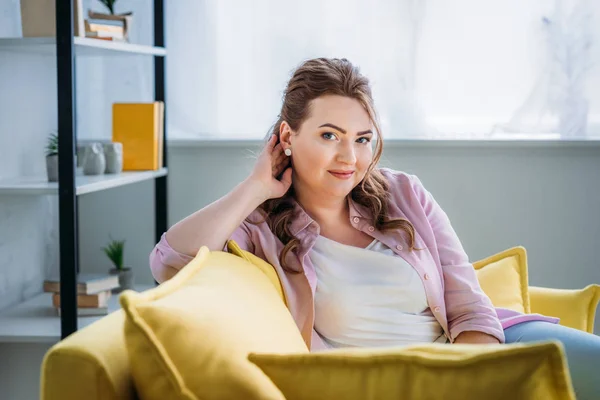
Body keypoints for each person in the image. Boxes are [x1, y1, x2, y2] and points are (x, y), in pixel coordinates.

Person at [150, 58, 600, 399]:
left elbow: (468, 305)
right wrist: (253, 187)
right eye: (329, 136)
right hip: (398, 383)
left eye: (362, 138)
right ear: (288, 137)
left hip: (478, 351)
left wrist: (471, 377)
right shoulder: (262, 226)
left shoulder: (405, 193)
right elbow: (170, 263)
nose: (350, 157)